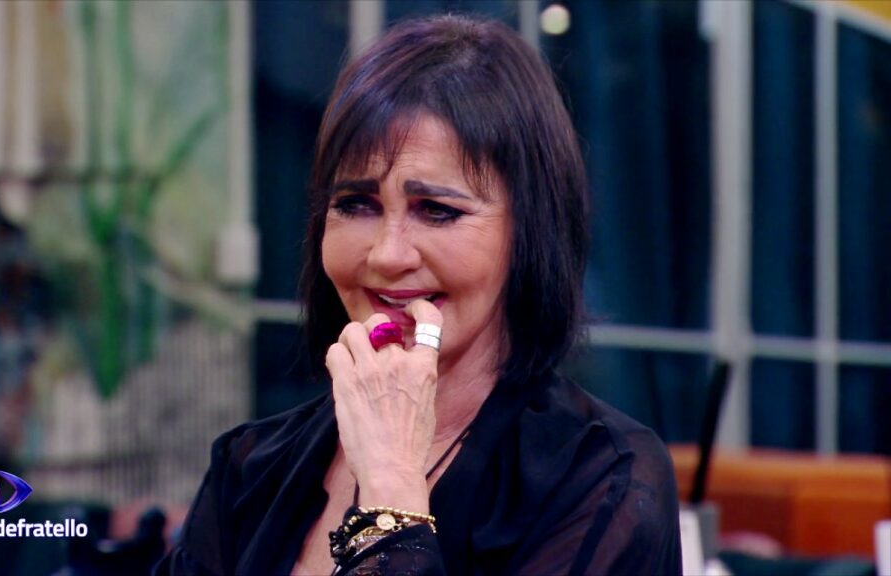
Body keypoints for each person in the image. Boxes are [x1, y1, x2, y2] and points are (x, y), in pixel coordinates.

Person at [156, 14, 681, 576]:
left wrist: (391, 486)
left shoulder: (605, 480)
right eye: (356, 204)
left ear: (530, 232)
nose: (388, 255)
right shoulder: (249, 467)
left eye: (436, 210)